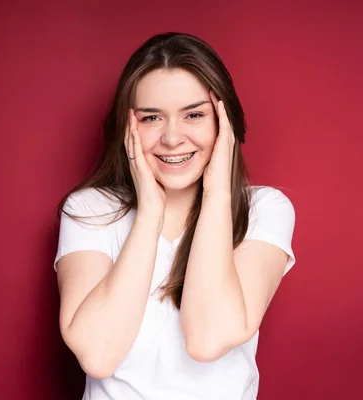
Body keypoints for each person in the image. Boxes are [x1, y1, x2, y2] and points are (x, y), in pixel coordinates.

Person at [53, 32, 296, 400]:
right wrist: (150, 212)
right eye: (152, 117)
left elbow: (207, 339)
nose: (171, 138)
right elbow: (98, 355)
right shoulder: (90, 210)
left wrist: (217, 193)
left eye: (194, 115)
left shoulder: (263, 210)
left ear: (223, 123)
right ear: (128, 127)